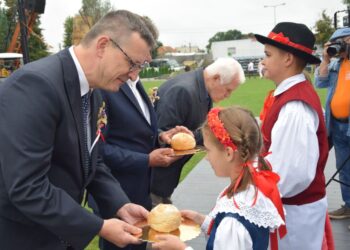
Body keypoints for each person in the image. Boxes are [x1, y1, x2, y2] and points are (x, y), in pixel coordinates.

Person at [0, 10, 160, 249]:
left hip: (57, 234)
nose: (133, 75)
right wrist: (99, 227)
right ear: (103, 45)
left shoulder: (93, 91)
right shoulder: (36, 85)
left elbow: (92, 161)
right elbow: (27, 187)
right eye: (132, 63)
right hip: (25, 237)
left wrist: (119, 204)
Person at [152, 106, 286, 250]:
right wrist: (203, 221)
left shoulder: (234, 219)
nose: (207, 158)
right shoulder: (256, 186)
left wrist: (181, 249)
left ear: (228, 153)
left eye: (208, 150)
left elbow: (232, 233)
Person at [255, 22, 329, 249]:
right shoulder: (291, 96)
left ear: (287, 59)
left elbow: (289, 175)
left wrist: (249, 195)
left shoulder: (295, 107)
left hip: (294, 216)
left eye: (268, 54)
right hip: (291, 211)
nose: (263, 61)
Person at [97, 76, 191, 250]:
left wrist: (162, 136)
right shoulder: (105, 86)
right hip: (115, 192)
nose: (144, 61)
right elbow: (98, 149)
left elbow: (139, 132)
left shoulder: (136, 83)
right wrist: (146, 160)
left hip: (142, 190)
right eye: (138, 60)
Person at [150, 58, 245, 205]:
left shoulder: (202, 88)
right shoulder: (183, 91)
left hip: (165, 180)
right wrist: (215, 130)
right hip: (152, 182)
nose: (228, 95)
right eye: (228, 90)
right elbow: (162, 141)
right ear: (216, 78)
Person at [315, 27, 350, 220]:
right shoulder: (337, 64)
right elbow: (320, 83)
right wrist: (326, 59)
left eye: (342, 42)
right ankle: (348, 205)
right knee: (344, 169)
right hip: (336, 125)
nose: (339, 47)